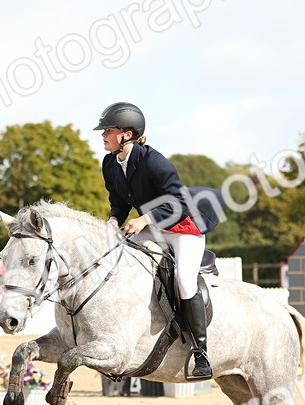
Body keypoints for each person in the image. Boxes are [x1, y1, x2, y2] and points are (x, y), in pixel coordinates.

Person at [94, 101, 222, 380]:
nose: (103, 135)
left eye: (108, 130)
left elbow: (178, 202)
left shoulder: (153, 161)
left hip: (184, 227)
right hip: (154, 226)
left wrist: (144, 220)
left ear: (127, 134)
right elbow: (117, 202)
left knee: (185, 282)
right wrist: (114, 220)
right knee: (117, 248)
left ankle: (201, 353)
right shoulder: (110, 163)